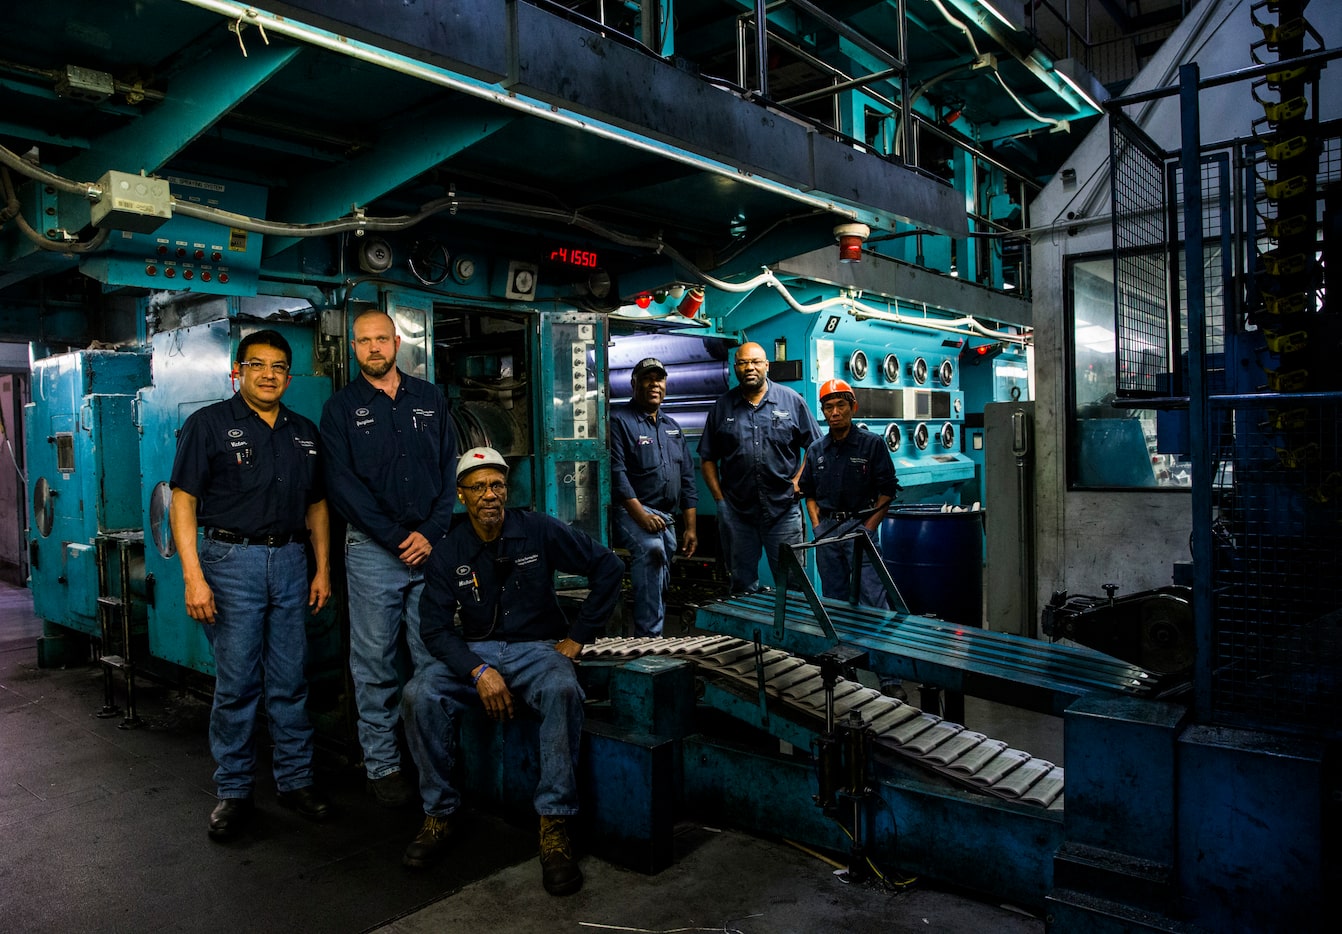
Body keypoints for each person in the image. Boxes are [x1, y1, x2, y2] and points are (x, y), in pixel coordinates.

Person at [401, 447, 623, 896]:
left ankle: (555, 824)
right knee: (419, 693)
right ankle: (440, 813)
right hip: (475, 653)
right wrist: (478, 670)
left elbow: (609, 566)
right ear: (462, 496)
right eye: (478, 487)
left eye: (497, 484)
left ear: (508, 489)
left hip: (537, 649)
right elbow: (435, 629)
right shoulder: (448, 551)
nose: (490, 495)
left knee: (563, 687)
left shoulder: (538, 529)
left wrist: (577, 636)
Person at [169, 328, 333, 842]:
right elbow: (183, 501)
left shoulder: (304, 431)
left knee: (290, 680)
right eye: (258, 365)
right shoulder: (208, 425)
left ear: (289, 374)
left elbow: (317, 505)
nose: (269, 375)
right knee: (238, 683)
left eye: (279, 367)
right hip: (229, 562)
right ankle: (235, 792)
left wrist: (322, 568)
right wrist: (194, 576)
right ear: (238, 371)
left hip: (289, 561)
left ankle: (295, 781)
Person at [320, 308, 458, 808]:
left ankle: (436, 761)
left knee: (433, 657)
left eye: (382, 339)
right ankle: (383, 765)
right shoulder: (340, 409)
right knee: (374, 662)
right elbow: (342, 487)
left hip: (432, 547)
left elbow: (451, 471)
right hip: (373, 552)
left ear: (397, 342)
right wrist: (400, 537)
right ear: (353, 348)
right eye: (364, 341)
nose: (374, 348)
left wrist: (433, 530)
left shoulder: (429, 398)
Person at [698, 342, 821, 593]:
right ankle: (745, 634)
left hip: (783, 511)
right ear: (736, 368)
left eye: (755, 362)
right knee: (741, 584)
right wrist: (720, 500)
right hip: (738, 513)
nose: (749, 367)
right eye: (743, 363)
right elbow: (707, 458)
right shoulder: (722, 407)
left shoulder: (791, 401)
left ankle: (790, 630)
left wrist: (799, 480)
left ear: (766, 365)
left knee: (792, 585)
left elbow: (817, 448)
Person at [609, 357, 698, 637]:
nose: (654, 384)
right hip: (629, 511)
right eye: (647, 378)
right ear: (634, 383)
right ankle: (649, 637)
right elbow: (617, 473)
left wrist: (691, 527)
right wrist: (641, 515)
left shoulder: (672, 426)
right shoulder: (618, 421)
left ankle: (652, 625)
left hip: (666, 516)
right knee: (652, 550)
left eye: (659, 379)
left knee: (661, 561)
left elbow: (687, 478)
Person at [799, 379, 900, 608]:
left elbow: (887, 492)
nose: (835, 412)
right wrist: (817, 526)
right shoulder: (816, 450)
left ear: (853, 407)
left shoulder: (872, 445)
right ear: (823, 412)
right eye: (828, 407)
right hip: (827, 530)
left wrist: (869, 528)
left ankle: (875, 642)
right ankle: (841, 643)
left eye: (841, 405)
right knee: (834, 597)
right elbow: (809, 493)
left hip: (861, 527)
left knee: (872, 594)